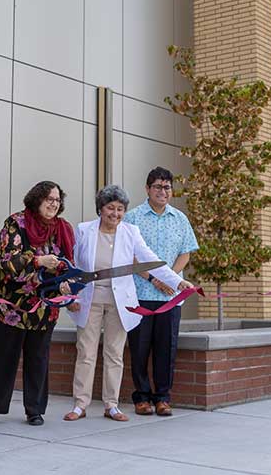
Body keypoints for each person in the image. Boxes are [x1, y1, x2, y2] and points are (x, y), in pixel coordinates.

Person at [64, 185, 192, 423]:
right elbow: (72, 266)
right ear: (100, 209)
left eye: (120, 209)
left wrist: (177, 282)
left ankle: (111, 405)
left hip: (119, 302)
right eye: (110, 208)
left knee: (114, 354)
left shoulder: (131, 232)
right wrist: (70, 296)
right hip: (89, 300)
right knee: (86, 353)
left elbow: (150, 260)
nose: (115, 213)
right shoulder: (84, 230)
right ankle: (80, 404)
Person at [0, 181, 75, 426]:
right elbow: (7, 261)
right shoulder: (16, 222)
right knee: (2, 358)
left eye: (57, 199)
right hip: (11, 305)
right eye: (49, 198)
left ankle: (34, 410)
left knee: (38, 359)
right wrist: (40, 261)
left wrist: (67, 284)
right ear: (36, 199)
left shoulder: (61, 228)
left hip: (44, 307)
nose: (54, 203)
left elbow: (66, 264)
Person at [125, 167, 198, 416]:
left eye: (167, 186)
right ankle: (142, 398)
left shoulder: (179, 218)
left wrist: (173, 278)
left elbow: (186, 252)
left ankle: (163, 398)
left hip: (171, 297)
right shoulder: (132, 217)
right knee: (140, 349)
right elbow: (130, 256)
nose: (162, 191)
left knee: (166, 350)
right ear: (147, 189)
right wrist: (155, 279)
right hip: (141, 294)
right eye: (157, 186)